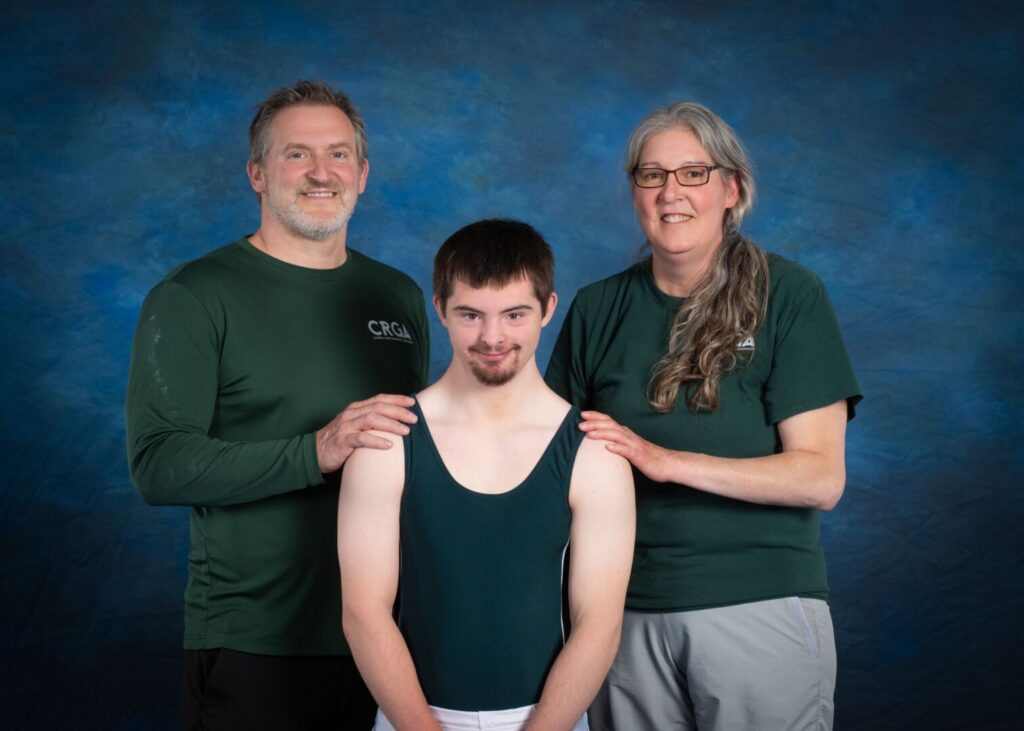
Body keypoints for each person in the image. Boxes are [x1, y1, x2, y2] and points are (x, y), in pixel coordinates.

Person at [545, 102, 863, 730]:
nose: (671, 193)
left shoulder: (789, 295)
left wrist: (663, 462)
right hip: (619, 615)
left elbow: (819, 479)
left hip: (756, 600)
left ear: (731, 188)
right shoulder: (596, 308)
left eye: (693, 173)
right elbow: (547, 464)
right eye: (651, 175)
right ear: (634, 191)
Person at [125, 80, 429, 730]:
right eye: (297, 154)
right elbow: (158, 464)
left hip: (386, 643)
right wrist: (314, 450)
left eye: (339, 154)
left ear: (364, 174)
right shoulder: (195, 295)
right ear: (257, 173)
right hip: (255, 642)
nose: (322, 172)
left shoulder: (397, 296)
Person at [338, 219, 635, 731]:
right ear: (440, 310)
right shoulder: (387, 440)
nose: (492, 337)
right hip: (413, 716)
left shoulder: (594, 451)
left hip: (546, 718)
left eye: (514, 314)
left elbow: (599, 623)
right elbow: (364, 611)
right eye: (470, 314)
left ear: (547, 310)